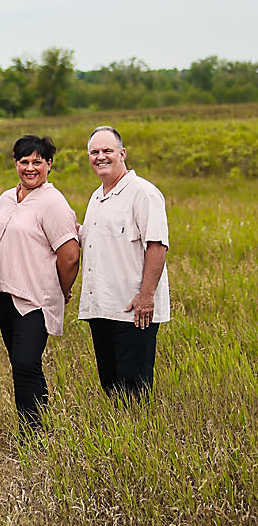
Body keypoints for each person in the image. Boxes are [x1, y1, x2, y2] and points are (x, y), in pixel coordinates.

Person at [0, 134, 79, 432]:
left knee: (26, 362)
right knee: (22, 365)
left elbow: (70, 255)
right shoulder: (7, 197)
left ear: (49, 164)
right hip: (5, 294)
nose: (30, 168)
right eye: (23, 161)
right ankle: (40, 429)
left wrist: (62, 290)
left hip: (36, 298)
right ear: (15, 163)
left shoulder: (52, 202)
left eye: (37, 162)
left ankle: (31, 434)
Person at [78, 126, 170, 399]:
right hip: (102, 306)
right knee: (111, 384)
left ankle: (140, 427)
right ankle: (121, 427)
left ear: (122, 153)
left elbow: (157, 246)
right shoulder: (97, 196)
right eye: (94, 152)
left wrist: (146, 296)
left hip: (133, 309)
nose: (100, 157)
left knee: (134, 387)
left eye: (107, 150)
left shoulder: (143, 193)